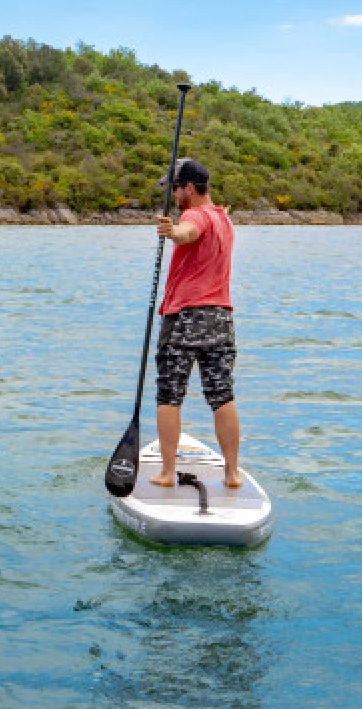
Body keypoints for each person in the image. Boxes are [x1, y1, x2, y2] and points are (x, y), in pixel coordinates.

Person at [151, 158, 243, 489]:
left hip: (185, 317)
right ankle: (232, 473)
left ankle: (166, 472)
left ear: (189, 188)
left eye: (175, 188)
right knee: (222, 395)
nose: (173, 195)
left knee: (169, 395)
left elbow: (188, 231)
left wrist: (172, 231)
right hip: (221, 317)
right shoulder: (225, 219)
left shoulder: (194, 215)